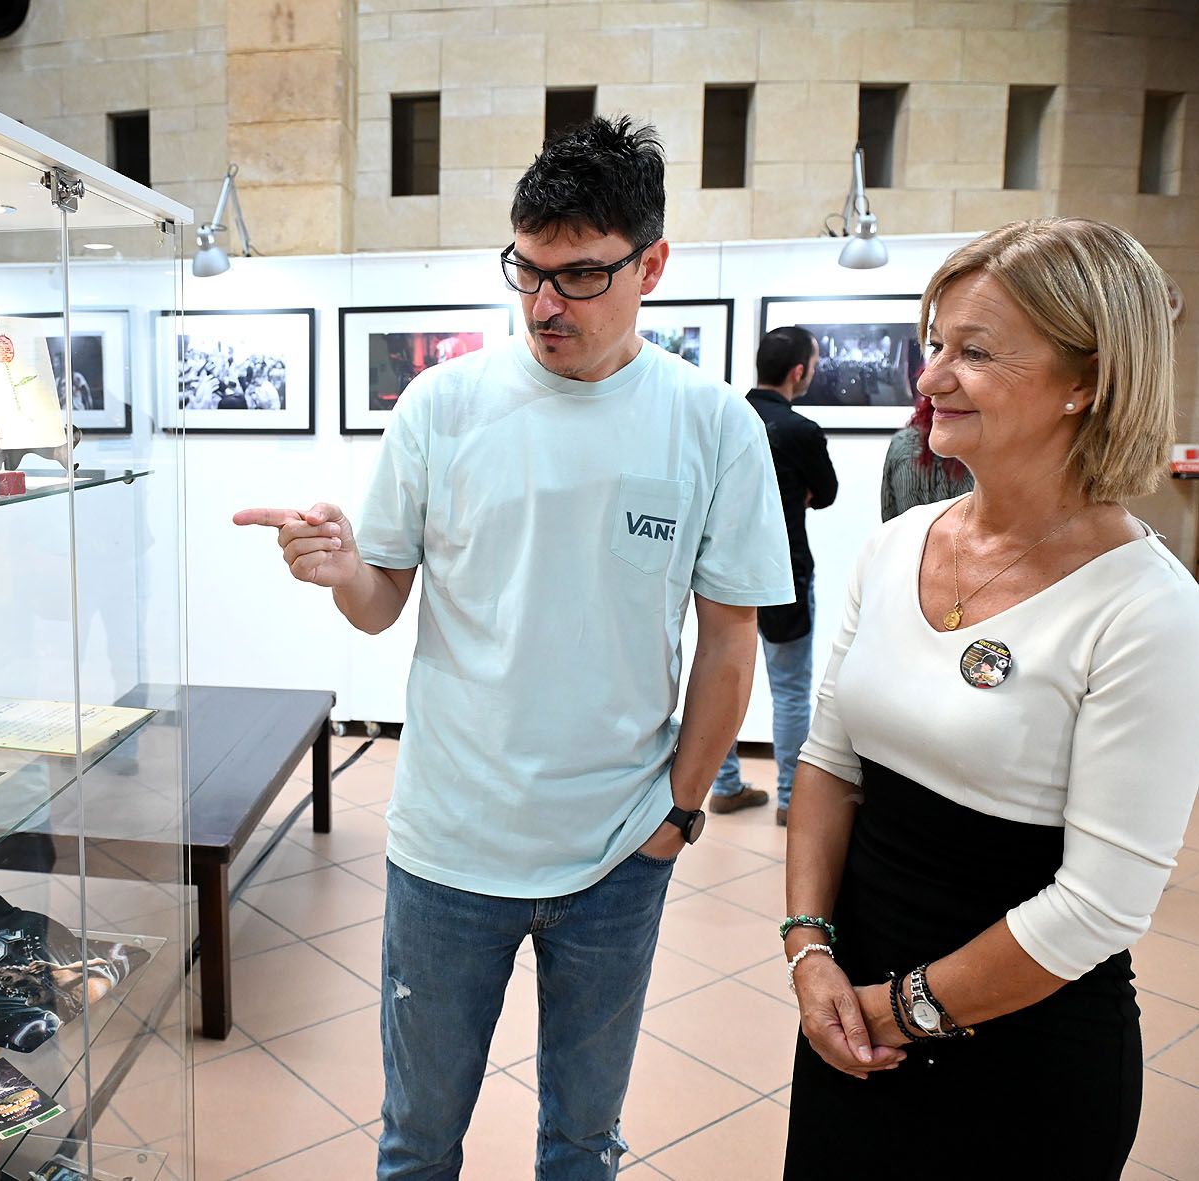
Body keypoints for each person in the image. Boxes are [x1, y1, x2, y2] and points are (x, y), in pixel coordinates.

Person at [235, 115, 793, 1180]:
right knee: (416, 1141)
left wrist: (676, 815)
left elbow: (729, 648)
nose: (544, 305)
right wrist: (341, 565)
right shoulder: (443, 406)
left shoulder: (712, 425)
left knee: (582, 1143)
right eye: (526, 272)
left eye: (580, 275)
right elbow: (377, 604)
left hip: (617, 854)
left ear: (652, 265)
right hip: (447, 848)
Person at [782, 218, 1199, 1179]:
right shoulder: (896, 546)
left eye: (973, 351)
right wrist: (811, 955)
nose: (929, 377)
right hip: (848, 1018)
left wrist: (896, 1008)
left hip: (1022, 1057)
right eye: (934, 344)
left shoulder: (1147, 609)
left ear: (1085, 379)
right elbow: (829, 763)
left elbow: (1099, 904)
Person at [709, 327, 838, 826]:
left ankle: (723, 786)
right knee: (789, 690)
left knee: (718, 679)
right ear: (798, 372)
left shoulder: (725, 418)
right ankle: (789, 800)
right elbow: (823, 493)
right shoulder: (801, 430)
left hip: (721, 571)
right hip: (785, 572)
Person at [879, 393, 973, 521]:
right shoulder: (980, 449)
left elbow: (888, 516)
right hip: (962, 539)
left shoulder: (900, 444)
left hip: (909, 539)